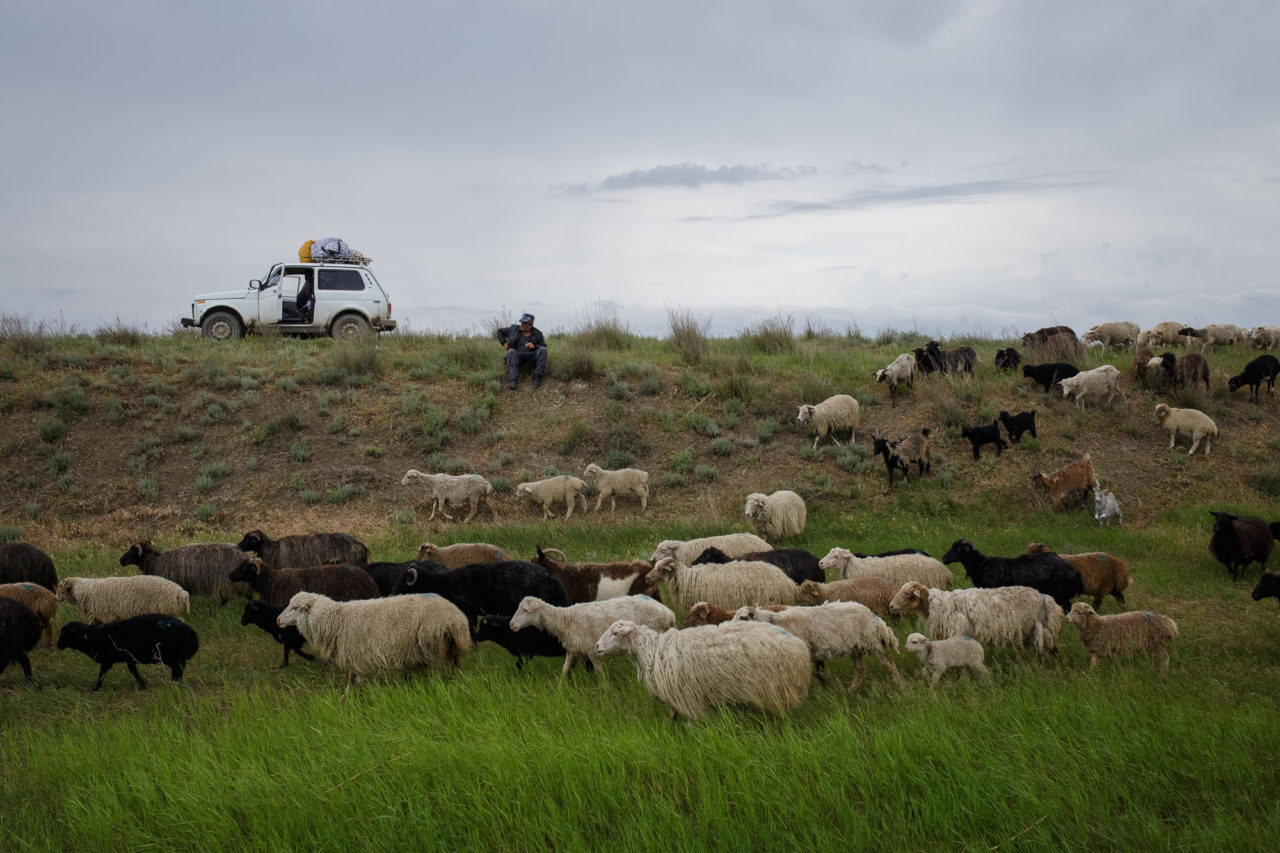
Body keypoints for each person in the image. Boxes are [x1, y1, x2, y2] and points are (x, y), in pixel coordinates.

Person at [497, 312, 547, 390]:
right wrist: (504, 343)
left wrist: (534, 346)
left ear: (531, 324)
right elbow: (499, 331)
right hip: (517, 356)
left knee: (543, 350)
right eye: (521, 322)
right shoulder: (514, 329)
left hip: (532, 357)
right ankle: (513, 381)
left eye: (524, 323)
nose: (522, 325)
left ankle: (537, 378)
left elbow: (543, 347)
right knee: (510, 352)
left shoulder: (538, 333)